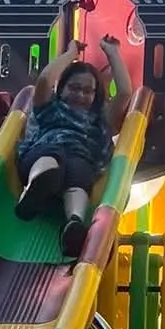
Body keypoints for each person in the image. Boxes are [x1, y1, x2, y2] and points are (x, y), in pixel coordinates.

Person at [15, 34, 131, 258]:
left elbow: (125, 92)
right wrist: (70, 55)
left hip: (79, 160)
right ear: (62, 88)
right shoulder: (49, 107)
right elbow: (44, 81)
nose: (80, 94)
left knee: (80, 173)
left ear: (97, 95)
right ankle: (35, 188)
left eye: (88, 91)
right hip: (43, 153)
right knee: (52, 155)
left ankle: (74, 222)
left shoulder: (99, 119)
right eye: (74, 87)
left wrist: (113, 53)